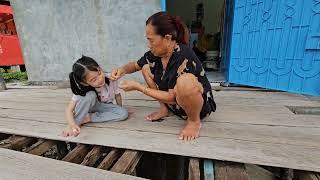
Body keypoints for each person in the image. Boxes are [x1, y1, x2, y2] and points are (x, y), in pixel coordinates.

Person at [110, 12, 216, 141]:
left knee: (185, 83)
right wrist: (121, 70)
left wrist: (138, 87)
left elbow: (173, 97)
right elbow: (135, 65)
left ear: (167, 38)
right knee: (145, 68)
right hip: (176, 105)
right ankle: (165, 109)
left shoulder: (183, 55)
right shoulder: (155, 54)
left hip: (197, 108)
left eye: (151, 40)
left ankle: (194, 122)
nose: (148, 44)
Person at [63, 56, 128, 137]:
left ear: (100, 68)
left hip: (103, 106)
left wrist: (118, 108)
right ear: (85, 83)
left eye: (100, 73)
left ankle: (88, 118)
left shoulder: (111, 79)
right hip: (89, 107)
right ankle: (76, 123)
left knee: (123, 113)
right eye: (94, 80)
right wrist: (71, 125)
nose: (100, 79)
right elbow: (68, 110)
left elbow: (117, 95)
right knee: (90, 95)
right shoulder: (83, 90)